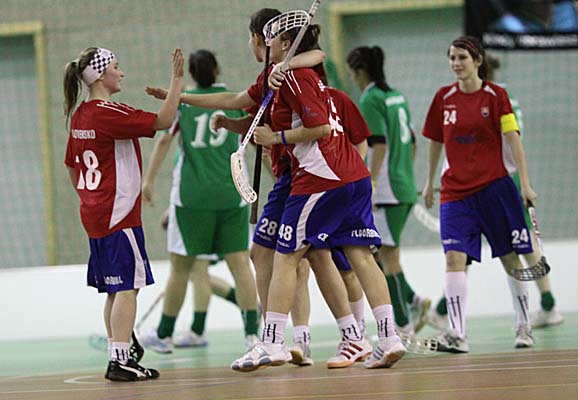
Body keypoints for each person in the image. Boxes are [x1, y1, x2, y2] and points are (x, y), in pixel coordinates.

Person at [146, 8, 329, 367]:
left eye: (251, 37)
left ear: (265, 40)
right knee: (257, 257)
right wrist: (184, 99)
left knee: (309, 261)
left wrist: (178, 100)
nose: (249, 43)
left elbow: (316, 61)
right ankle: (264, 336)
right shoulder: (268, 79)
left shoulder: (293, 74)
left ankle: (328, 337)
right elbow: (239, 107)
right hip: (259, 186)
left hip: (297, 178)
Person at [230, 20, 407, 372]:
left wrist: (275, 138)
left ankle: (273, 343)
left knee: (285, 257)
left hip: (320, 178)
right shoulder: (306, 76)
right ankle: (387, 338)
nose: (264, 44)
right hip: (353, 176)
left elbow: (321, 127)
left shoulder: (294, 78)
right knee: (360, 257)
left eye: (270, 39)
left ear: (285, 43)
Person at [63, 46, 183, 381]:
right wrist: (176, 81)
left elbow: (72, 166)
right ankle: (120, 359)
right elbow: (163, 121)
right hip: (118, 213)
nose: (122, 72)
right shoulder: (106, 113)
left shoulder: (81, 115)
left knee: (115, 289)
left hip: (95, 212)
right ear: (101, 75)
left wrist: (89, 198)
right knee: (128, 287)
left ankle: (120, 352)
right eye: (116, 66)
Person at [426, 53, 564, 333]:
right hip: (489, 181)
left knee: (519, 246)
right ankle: (446, 310)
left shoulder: (494, 100)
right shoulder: (500, 98)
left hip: (498, 182)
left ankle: (547, 304)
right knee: (472, 246)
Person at [139, 49, 260, 354]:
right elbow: (256, 142)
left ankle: (164, 334)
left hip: (192, 197)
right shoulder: (236, 100)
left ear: (192, 75)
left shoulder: (184, 103)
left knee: (181, 268)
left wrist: (148, 180)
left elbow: (164, 140)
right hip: (232, 194)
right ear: (218, 69)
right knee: (240, 265)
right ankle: (252, 335)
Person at [346, 45, 431, 336]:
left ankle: (403, 326)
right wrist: (404, 172)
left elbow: (378, 144)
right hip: (403, 185)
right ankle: (413, 301)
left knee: (386, 257)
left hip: (387, 191)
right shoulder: (397, 96)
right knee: (383, 254)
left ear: (360, 71)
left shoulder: (370, 98)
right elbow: (414, 143)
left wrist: (369, 184)